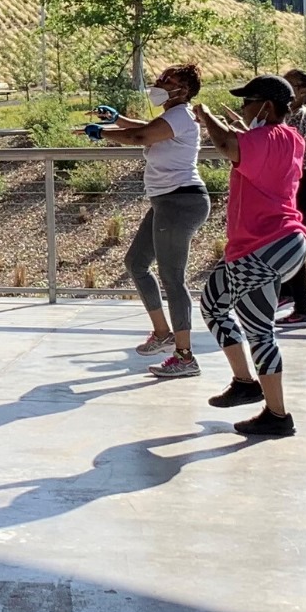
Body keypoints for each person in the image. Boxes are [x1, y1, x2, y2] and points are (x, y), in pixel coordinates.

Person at [189, 75, 306, 437]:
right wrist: (242, 132)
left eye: (248, 101)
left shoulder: (261, 138)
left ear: (266, 107)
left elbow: (227, 145)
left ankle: (276, 413)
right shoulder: (292, 138)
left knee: (258, 331)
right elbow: (251, 150)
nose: (243, 108)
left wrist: (206, 116)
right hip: (285, 242)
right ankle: (245, 384)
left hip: (262, 245)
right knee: (214, 304)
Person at [86, 64, 211, 378]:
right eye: (160, 79)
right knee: (136, 263)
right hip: (166, 202)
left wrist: (103, 132)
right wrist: (118, 120)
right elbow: (148, 129)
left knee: (172, 278)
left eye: (167, 81)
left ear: (183, 90)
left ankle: (185, 356)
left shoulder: (181, 116)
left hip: (180, 202)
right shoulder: (173, 117)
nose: (159, 83)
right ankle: (163, 333)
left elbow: (141, 136)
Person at [275, 69, 306, 330]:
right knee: (285, 240)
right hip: (294, 183)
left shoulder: (300, 115)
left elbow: (289, 149)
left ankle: (302, 308)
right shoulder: (288, 114)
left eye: (290, 84)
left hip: (303, 183)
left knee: (293, 243)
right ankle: (286, 292)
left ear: (303, 90)